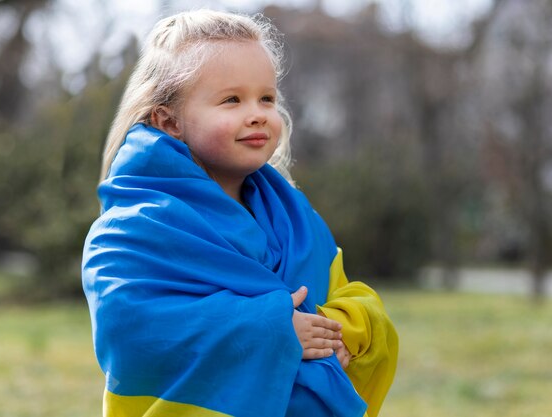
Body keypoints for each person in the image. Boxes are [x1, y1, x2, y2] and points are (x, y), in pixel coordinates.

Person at [82, 9, 398, 417]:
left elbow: (344, 292)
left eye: (266, 98)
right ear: (168, 119)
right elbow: (130, 330)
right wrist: (272, 331)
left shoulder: (294, 217)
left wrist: (343, 329)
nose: (258, 113)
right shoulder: (132, 229)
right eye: (231, 99)